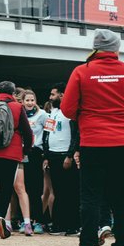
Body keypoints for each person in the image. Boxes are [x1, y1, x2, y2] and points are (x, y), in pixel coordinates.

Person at [58, 29, 124, 246]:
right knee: (122, 199)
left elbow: (67, 110)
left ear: (95, 48)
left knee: (90, 198)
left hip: (93, 141)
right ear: (116, 49)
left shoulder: (82, 72)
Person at [0, 81, 34, 240]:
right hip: (11, 154)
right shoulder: (18, 107)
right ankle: (0, 224)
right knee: (5, 189)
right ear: (13, 93)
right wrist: (25, 151)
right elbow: (27, 133)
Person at [44, 83, 79, 236]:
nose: (50, 98)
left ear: (62, 95)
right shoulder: (53, 111)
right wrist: (45, 155)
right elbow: (48, 133)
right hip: (52, 155)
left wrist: (70, 155)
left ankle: (72, 225)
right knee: (58, 191)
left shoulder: (70, 112)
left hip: (65, 155)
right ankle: (59, 224)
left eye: (53, 94)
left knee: (70, 191)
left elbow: (76, 134)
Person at [22, 89, 49, 234]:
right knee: (23, 188)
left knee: (36, 188)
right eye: (27, 100)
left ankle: (38, 221)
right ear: (23, 101)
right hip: (22, 152)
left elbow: (48, 133)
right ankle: (24, 221)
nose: (30, 103)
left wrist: (46, 154)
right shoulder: (20, 114)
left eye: (32, 100)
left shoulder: (43, 114)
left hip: (36, 152)